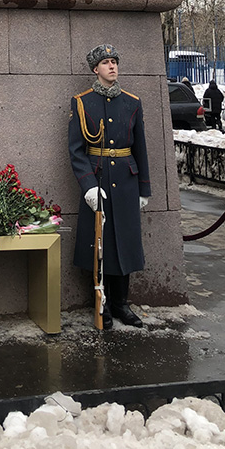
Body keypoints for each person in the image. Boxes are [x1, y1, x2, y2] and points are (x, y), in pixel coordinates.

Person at [68, 44, 151, 329]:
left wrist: (143, 189)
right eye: (106, 62)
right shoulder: (82, 103)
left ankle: (121, 304)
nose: (112, 66)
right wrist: (88, 186)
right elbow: (76, 151)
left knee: (125, 244)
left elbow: (140, 148)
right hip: (99, 181)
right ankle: (101, 304)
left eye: (114, 61)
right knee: (100, 245)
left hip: (126, 183)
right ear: (95, 69)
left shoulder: (132, 102)